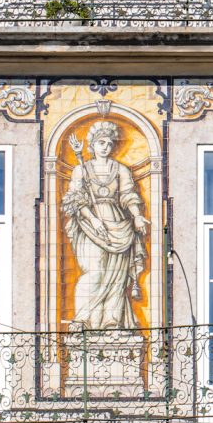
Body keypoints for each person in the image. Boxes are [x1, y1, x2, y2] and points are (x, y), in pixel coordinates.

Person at [63, 120, 147, 330]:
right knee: (95, 272)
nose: (105, 147)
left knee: (117, 278)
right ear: (92, 145)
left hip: (119, 224)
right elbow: (75, 198)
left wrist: (137, 216)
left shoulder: (120, 169)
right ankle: (82, 319)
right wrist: (93, 219)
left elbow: (129, 194)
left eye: (109, 144)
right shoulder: (81, 169)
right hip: (91, 225)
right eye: (101, 142)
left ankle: (112, 322)